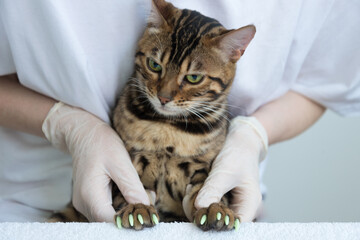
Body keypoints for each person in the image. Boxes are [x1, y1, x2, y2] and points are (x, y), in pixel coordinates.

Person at [0, 0, 359, 223]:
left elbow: (324, 83)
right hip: (31, 208)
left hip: (214, 218)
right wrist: (65, 126)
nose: (166, 94)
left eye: (191, 78)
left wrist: (255, 135)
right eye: (156, 69)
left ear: (236, 54)